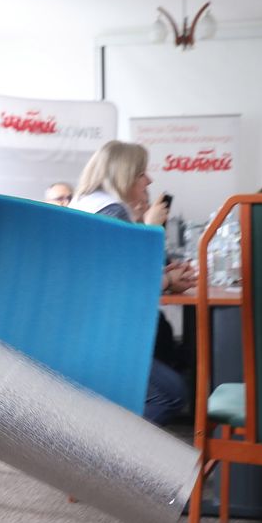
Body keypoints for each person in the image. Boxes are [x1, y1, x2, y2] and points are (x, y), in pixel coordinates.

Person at [70, 140, 194, 425]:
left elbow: (115, 277)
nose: (149, 179)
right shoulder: (112, 212)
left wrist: (166, 278)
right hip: (97, 338)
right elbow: (125, 287)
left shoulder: (85, 205)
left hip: (78, 328)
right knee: (172, 394)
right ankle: (100, 453)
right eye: (141, 173)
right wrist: (166, 278)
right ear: (122, 174)